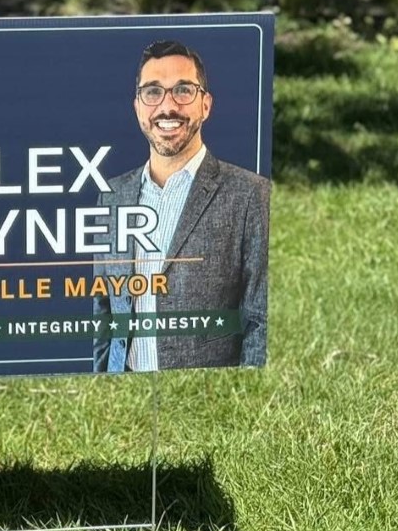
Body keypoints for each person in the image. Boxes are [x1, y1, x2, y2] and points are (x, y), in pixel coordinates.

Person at [95, 40, 269, 373]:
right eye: (152, 92)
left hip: (206, 401)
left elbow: (259, 318)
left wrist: (247, 399)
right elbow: (104, 310)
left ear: (206, 104)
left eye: (183, 90)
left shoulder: (251, 195)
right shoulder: (111, 195)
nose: (167, 106)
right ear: (137, 106)